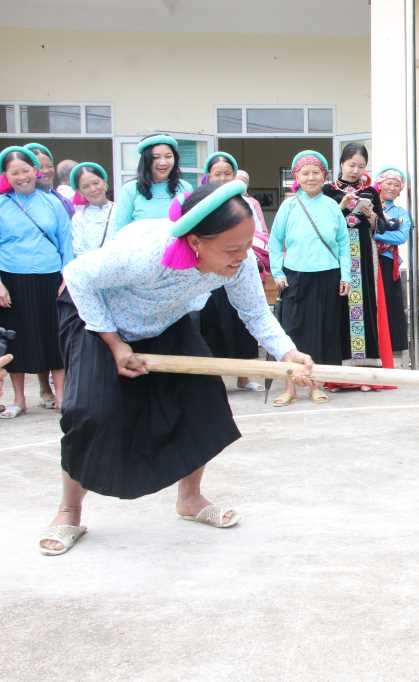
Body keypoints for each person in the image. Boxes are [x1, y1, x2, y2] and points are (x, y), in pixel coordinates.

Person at [42, 181, 314, 556]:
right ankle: (69, 511)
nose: (241, 257)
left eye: (246, 246)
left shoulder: (241, 263)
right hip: (96, 318)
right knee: (89, 413)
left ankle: (190, 499)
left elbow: (255, 312)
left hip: (165, 320)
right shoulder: (147, 253)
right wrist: (115, 344)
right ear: (196, 241)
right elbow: (77, 277)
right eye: (231, 249)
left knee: (204, 402)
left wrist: (288, 353)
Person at [269, 150, 352, 406]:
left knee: (324, 331)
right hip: (294, 276)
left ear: (324, 176)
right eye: (305, 173)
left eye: (316, 172)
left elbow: (344, 243)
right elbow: (275, 241)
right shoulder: (289, 206)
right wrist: (277, 272)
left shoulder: (332, 206)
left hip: (328, 275)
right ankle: (290, 388)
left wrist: (346, 275)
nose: (311, 177)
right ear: (297, 177)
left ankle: (317, 385)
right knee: (292, 331)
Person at [0, 146, 73, 419]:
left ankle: (62, 396)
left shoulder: (52, 202)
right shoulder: (2, 204)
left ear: (35, 170)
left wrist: (67, 277)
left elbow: (66, 242)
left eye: (25, 170)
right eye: (14, 173)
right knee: (15, 338)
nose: (22, 177)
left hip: (50, 277)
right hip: (11, 279)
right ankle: (19, 399)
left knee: (54, 335)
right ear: (6, 176)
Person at [322, 143, 393, 388]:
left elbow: (382, 226)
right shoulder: (328, 191)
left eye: (361, 166)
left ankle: (367, 373)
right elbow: (323, 224)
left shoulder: (370, 191)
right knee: (339, 308)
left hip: (363, 253)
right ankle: (340, 375)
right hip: (338, 255)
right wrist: (341, 207)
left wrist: (371, 215)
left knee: (366, 305)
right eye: (351, 165)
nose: (355, 170)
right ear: (341, 163)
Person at [198, 152, 266, 392]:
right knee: (211, 324)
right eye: (218, 173)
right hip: (208, 273)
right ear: (208, 176)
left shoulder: (246, 204)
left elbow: (258, 233)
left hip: (238, 268)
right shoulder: (201, 203)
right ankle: (212, 379)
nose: (223, 178)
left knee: (239, 323)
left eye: (227, 173)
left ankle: (244, 377)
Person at [113, 134, 193, 231]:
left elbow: (191, 226)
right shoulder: (130, 189)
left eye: (168, 156)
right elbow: (119, 230)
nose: (163, 162)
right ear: (145, 160)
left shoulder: (185, 188)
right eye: (155, 157)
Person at [375, 166, 412, 355]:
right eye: (388, 183)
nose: (392, 188)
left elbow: (401, 237)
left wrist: (374, 233)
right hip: (366, 261)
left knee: (390, 304)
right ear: (380, 184)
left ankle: (391, 346)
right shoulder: (369, 206)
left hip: (388, 263)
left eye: (396, 185)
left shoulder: (401, 213)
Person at [69, 162, 116, 257]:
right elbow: (78, 250)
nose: (93, 189)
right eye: (85, 187)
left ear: (104, 183)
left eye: (96, 183)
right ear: (79, 192)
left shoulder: (119, 210)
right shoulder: (78, 218)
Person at [25, 143, 74, 216]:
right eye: (40, 167)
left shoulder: (63, 201)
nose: (46, 171)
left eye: (50, 166)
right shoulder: (19, 201)